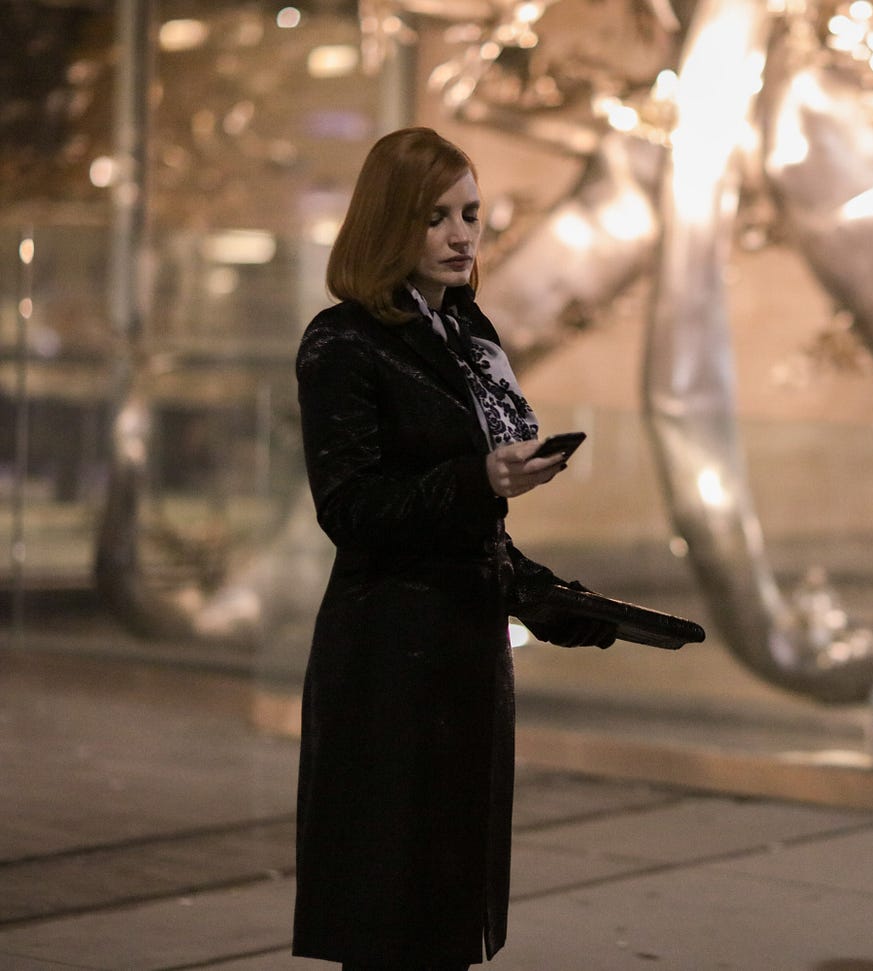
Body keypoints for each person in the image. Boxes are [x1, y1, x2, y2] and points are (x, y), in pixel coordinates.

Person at [292, 126, 615, 968]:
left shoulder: (467, 332)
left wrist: (546, 598)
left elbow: (475, 526)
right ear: (388, 221)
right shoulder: (343, 341)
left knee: (443, 916)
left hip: (464, 660)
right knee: (390, 922)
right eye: (434, 216)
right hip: (389, 665)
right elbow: (352, 509)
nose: (460, 234)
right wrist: (479, 478)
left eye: (470, 213)